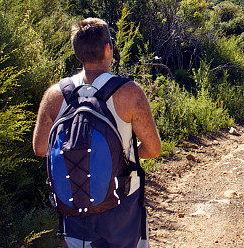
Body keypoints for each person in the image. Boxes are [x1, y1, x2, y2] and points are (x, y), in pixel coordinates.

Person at [33, 18, 162, 248]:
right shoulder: (129, 92)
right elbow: (153, 149)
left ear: (76, 52)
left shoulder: (54, 95)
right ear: (107, 48)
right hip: (121, 202)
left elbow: (40, 148)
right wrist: (121, 156)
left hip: (73, 204)